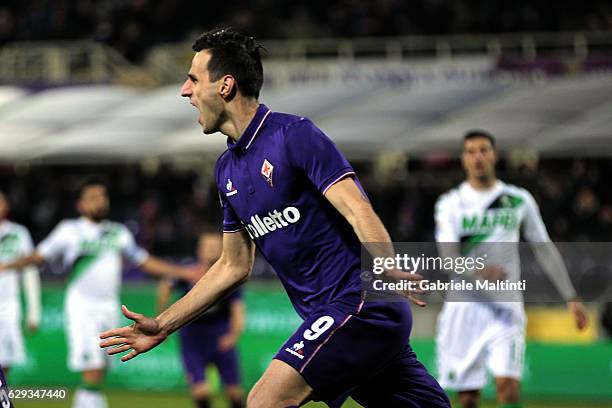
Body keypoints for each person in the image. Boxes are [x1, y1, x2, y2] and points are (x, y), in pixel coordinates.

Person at [100, 28, 450, 408]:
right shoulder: (226, 171)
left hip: (361, 302)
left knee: (264, 402)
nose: (185, 91)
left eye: (193, 79)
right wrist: (163, 324)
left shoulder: (294, 135)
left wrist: (386, 262)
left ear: (225, 85)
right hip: (336, 319)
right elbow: (233, 266)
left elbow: (356, 206)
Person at [0, 178, 197, 408]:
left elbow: (144, 261)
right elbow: (38, 256)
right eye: (93, 198)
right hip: (83, 307)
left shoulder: (117, 232)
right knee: (91, 371)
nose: (99, 202)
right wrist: (7, 266)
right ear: (81, 205)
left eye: (102, 197)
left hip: (108, 307)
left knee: (99, 372)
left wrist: (182, 271)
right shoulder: (70, 230)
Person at [434, 130, 589, 408]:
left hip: (506, 308)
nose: (478, 157)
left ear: (494, 155)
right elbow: (447, 257)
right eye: (471, 151)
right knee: (468, 398)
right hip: (464, 307)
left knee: (509, 388)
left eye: (483, 150)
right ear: (463, 159)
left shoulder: (519, 199)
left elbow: (544, 247)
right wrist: (478, 271)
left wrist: (571, 297)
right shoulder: (451, 204)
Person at [157, 232, 245, 408]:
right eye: (207, 246)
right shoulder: (189, 272)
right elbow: (165, 286)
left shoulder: (230, 276)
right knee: (201, 392)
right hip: (192, 337)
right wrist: (161, 322)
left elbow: (238, 309)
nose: (211, 249)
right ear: (200, 250)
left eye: (215, 246)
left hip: (219, 334)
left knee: (234, 393)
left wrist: (233, 336)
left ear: (223, 249)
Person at [0, 191, 41, 378]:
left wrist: (33, 311)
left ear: (6, 206)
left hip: (9, 305)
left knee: (5, 358)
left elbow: (30, 272)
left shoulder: (18, 233)